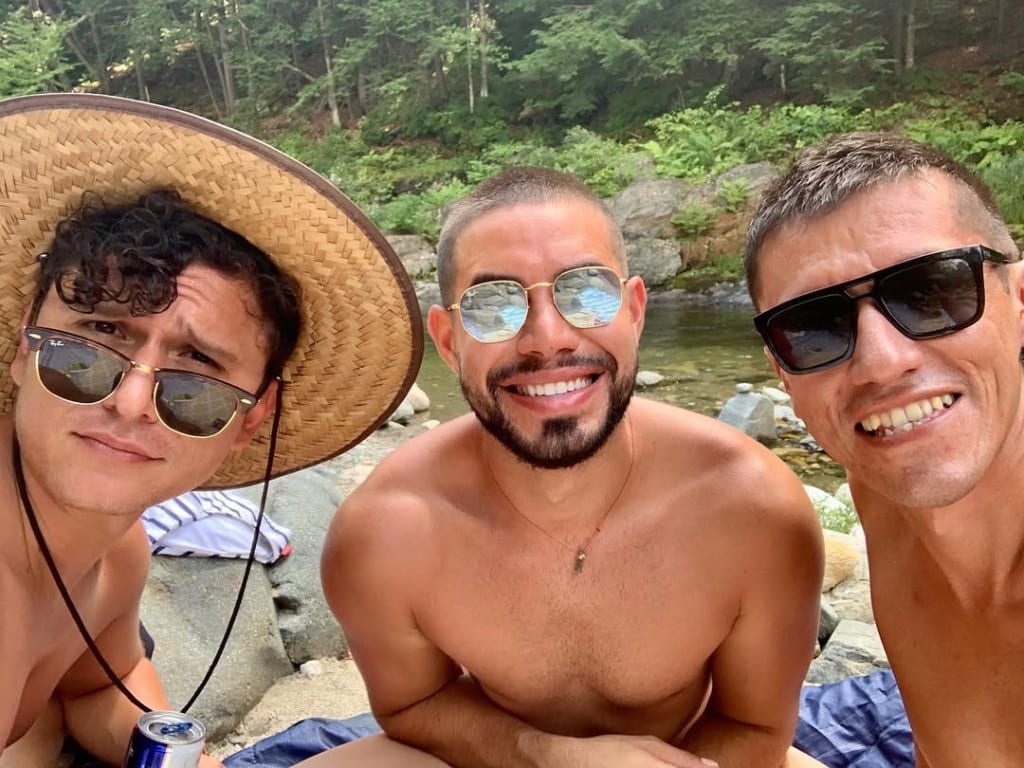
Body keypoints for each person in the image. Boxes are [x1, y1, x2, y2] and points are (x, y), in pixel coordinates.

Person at [306, 166, 825, 768]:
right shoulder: (386, 531)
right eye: (493, 304)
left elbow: (754, 727)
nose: (547, 338)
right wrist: (544, 757)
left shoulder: (751, 507)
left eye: (585, 292)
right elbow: (412, 706)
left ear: (634, 310)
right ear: (447, 342)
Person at [0, 93, 421, 767]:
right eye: (96, 339)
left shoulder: (117, 554)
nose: (132, 400)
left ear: (251, 419)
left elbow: (96, 689)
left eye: (194, 374)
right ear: (27, 346)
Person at [744, 131, 1024, 767]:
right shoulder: (880, 482)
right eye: (814, 329)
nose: (881, 363)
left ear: (1019, 301)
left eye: (931, 293)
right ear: (782, 374)